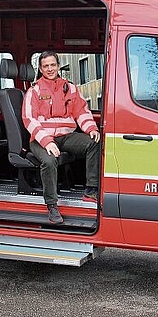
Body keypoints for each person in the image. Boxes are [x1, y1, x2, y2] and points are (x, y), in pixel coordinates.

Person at [22, 51, 101, 224]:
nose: (50, 69)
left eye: (52, 65)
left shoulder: (70, 87)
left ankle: (91, 191)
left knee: (94, 143)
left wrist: (91, 129)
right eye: (45, 66)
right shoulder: (33, 91)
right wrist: (47, 142)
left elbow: (81, 111)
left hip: (66, 135)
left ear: (58, 66)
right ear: (41, 69)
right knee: (49, 161)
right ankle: (52, 205)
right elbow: (29, 120)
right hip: (40, 139)